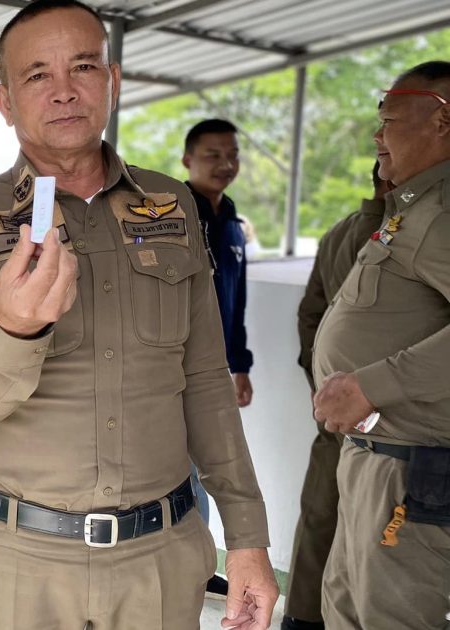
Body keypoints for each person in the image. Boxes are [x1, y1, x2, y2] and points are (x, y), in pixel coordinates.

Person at [0, 2, 277, 628]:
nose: (64, 90)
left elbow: (205, 381)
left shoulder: (170, 205)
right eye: (37, 74)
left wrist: (247, 538)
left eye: (84, 67)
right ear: (5, 101)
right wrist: (15, 328)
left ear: (112, 82)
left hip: (159, 558)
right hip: (22, 564)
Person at [312, 60, 450, 630]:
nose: (377, 135)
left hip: (409, 471)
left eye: (389, 120)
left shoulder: (441, 213)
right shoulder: (413, 208)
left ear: (441, 121)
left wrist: (371, 385)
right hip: (376, 460)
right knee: (348, 611)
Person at [284, 162, 390, 630]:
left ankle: (301, 617)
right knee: (379, 532)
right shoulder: (404, 235)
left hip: (334, 410)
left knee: (321, 513)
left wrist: (323, 384)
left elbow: (310, 316)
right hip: (392, 417)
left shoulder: (338, 232)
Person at [182, 118, 254, 597]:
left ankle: (201, 563)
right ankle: (191, 562)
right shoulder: (172, 215)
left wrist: (240, 364)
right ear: (188, 159)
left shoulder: (231, 222)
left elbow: (236, 299)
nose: (225, 164)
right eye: (213, 154)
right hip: (175, 367)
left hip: (215, 370)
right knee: (182, 469)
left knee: (208, 467)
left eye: (232, 155)